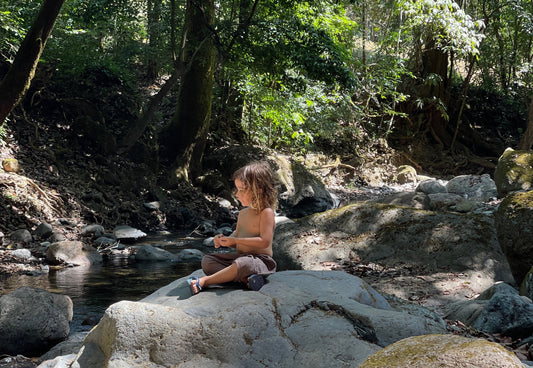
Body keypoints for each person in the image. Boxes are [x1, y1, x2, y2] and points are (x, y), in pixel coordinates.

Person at [187, 161, 278, 295]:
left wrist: (236, 241)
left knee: (243, 263)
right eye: (236, 189)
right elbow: (237, 236)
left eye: (242, 190)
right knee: (208, 261)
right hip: (239, 258)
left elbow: (264, 241)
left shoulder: (266, 212)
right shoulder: (243, 213)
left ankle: (206, 281)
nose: (237, 194)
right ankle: (245, 279)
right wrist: (225, 240)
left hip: (260, 261)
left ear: (258, 190)